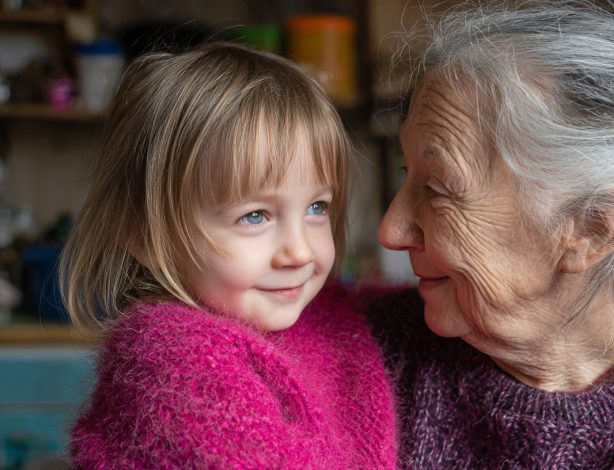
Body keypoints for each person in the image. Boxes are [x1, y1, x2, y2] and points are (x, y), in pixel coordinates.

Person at [361, 1, 614, 468]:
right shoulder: (355, 352)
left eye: (438, 189)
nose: (391, 230)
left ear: (592, 228)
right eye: (406, 172)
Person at [60, 42, 397, 468]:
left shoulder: (315, 313)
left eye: (317, 208)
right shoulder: (173, 362)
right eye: (255, 216)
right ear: (146, 238)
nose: (300, 251)